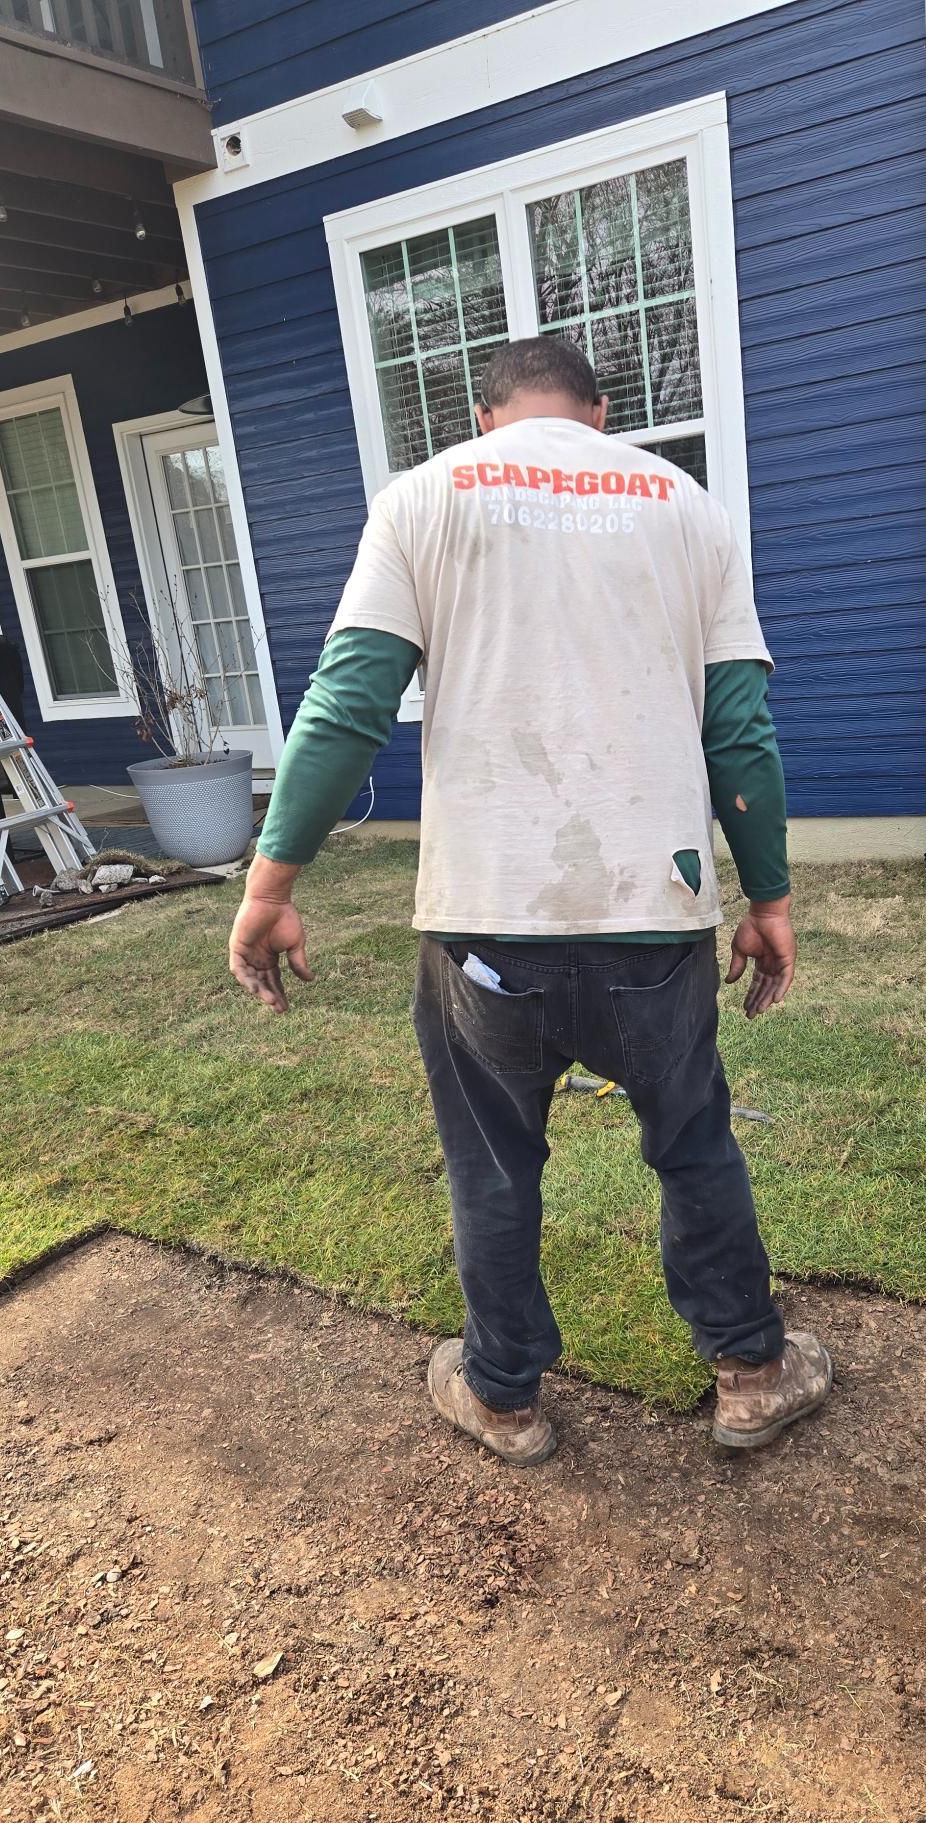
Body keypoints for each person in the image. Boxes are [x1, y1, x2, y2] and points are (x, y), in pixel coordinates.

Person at [229, 337, 831, 1465]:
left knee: (493, 1159)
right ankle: (751, 1369)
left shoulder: (424, 498)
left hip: (483, 918)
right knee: (694, 1140)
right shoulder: (687, 506)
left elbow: (348, 701)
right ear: (599, 413)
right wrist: (771, 899)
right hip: (656, 907)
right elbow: (738, 726)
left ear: (483, 414)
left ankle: (505, 1393)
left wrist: (272, 883)